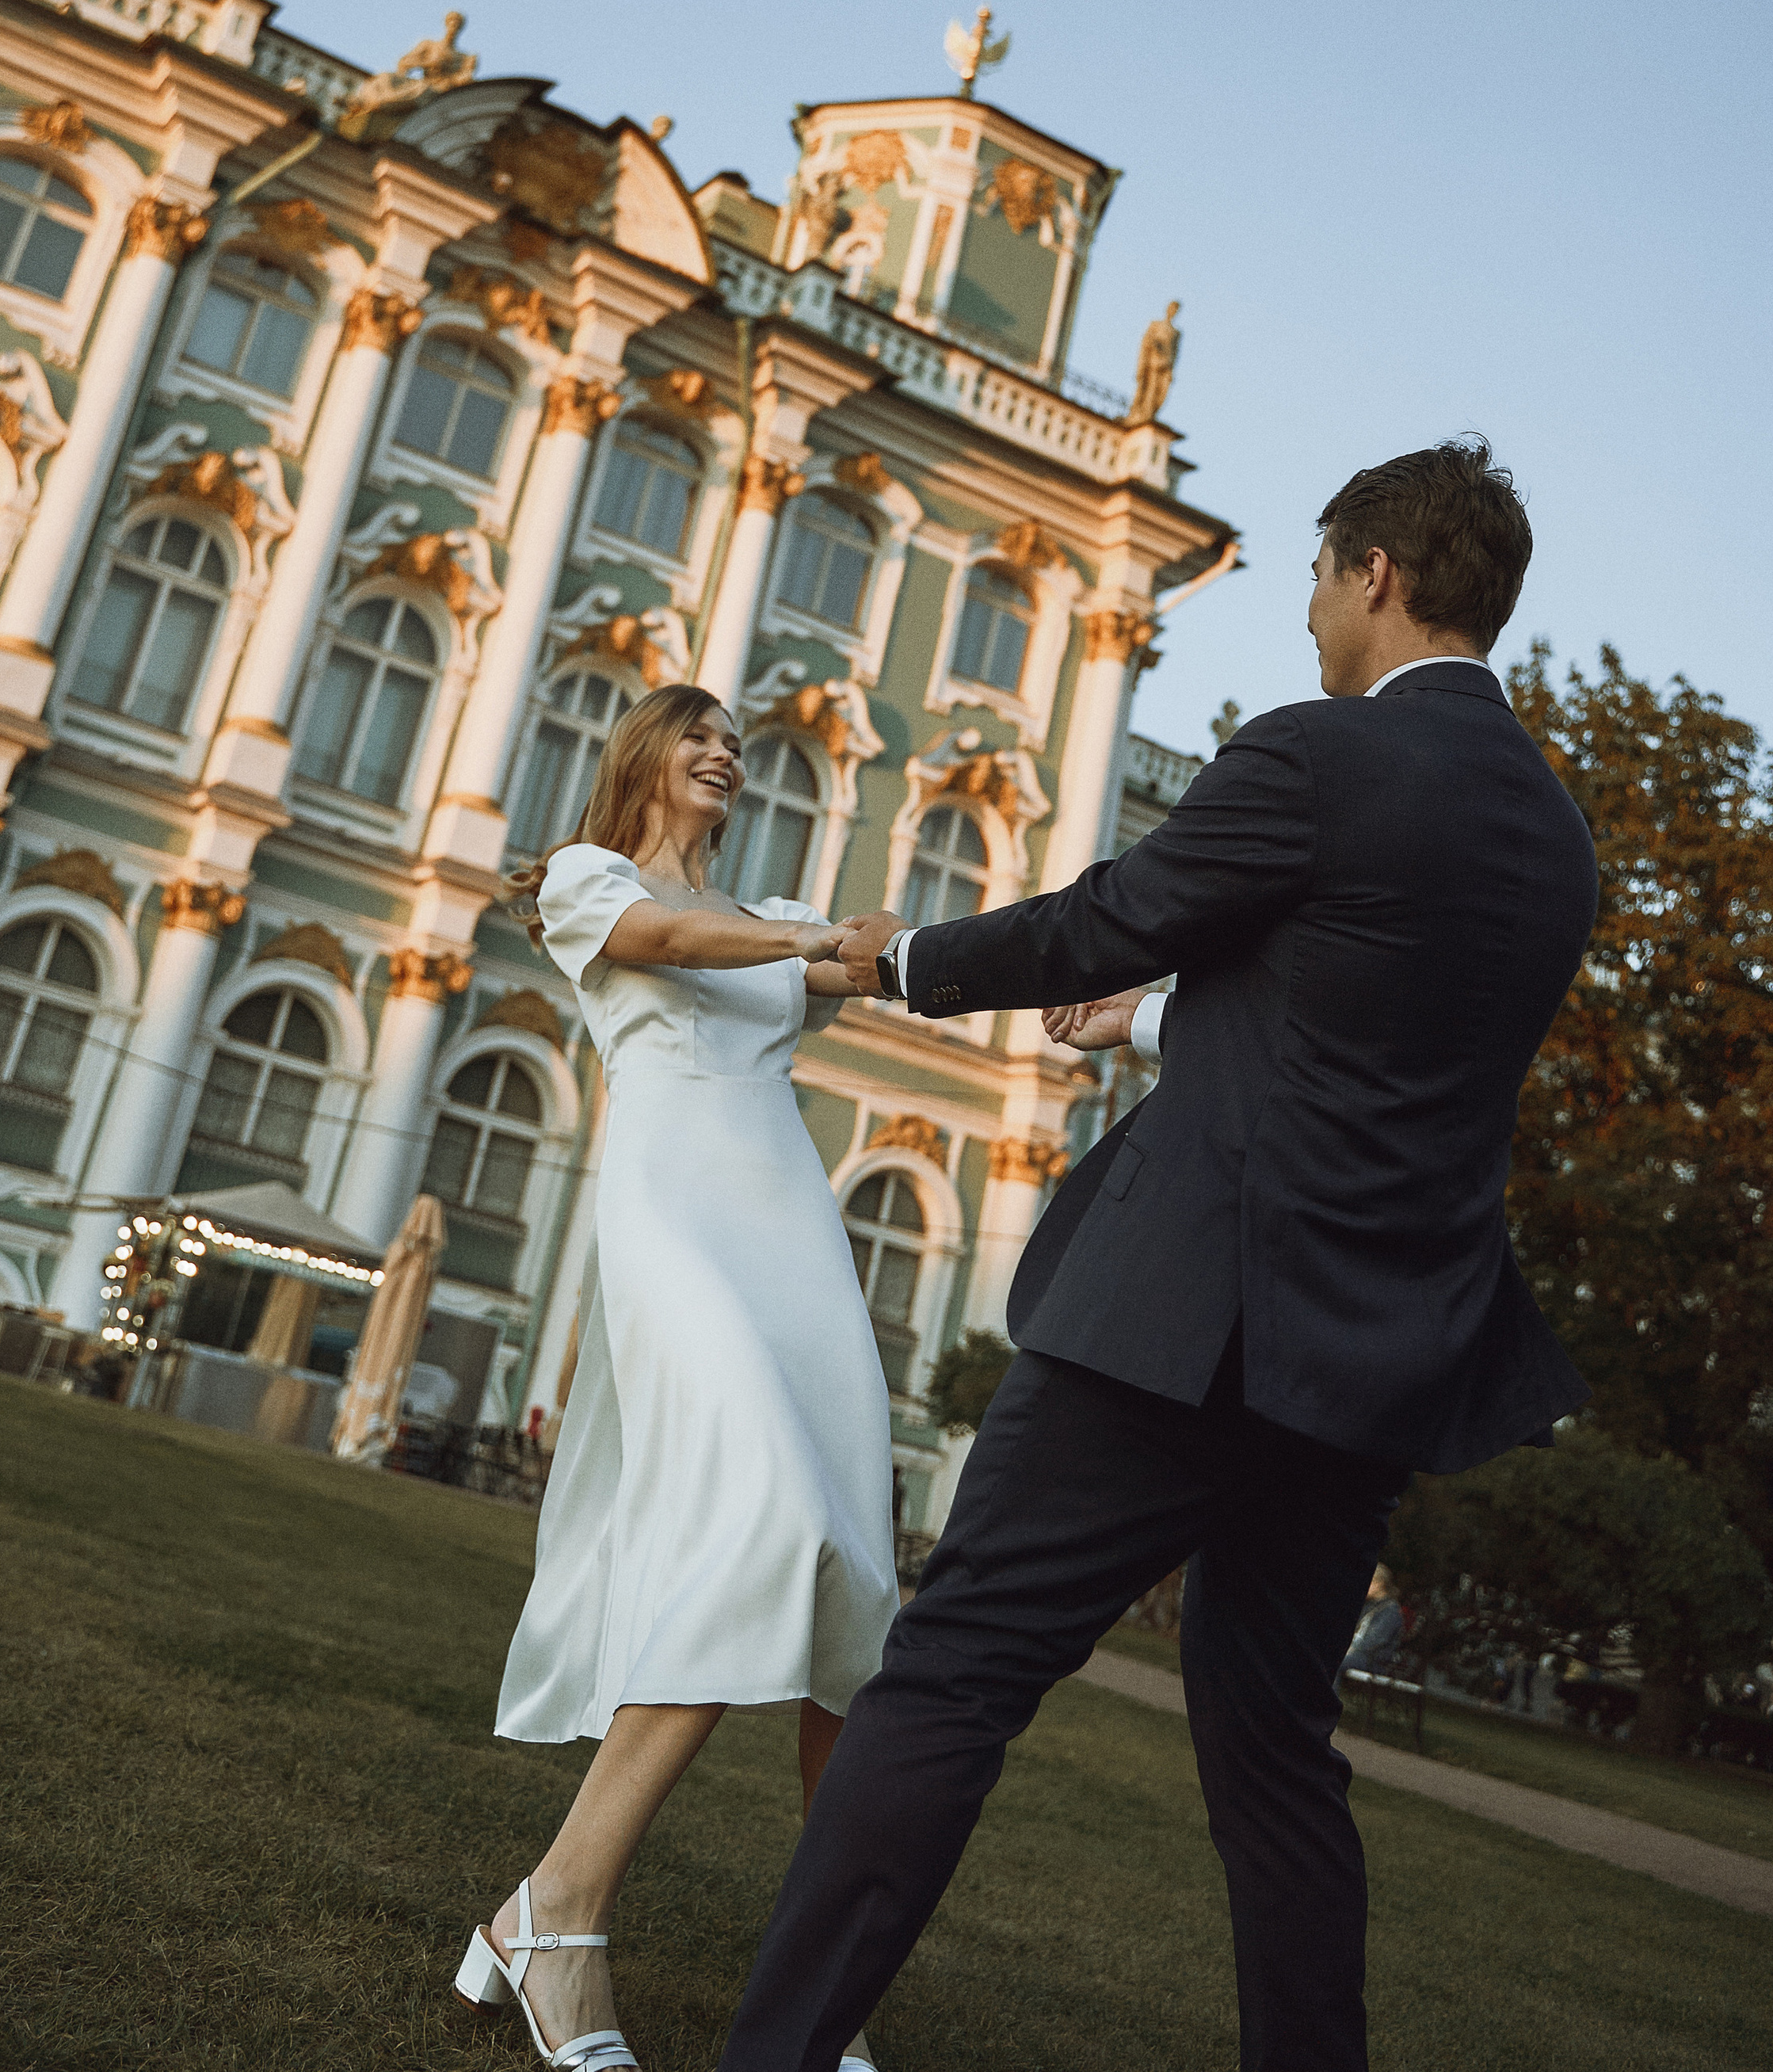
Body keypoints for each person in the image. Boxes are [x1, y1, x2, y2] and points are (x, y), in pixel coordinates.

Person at [719, 438, 1599, 2072]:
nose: (1313, 613)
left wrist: (890, 957)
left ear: (1378, 575)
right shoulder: (1557, 841)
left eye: (1321, 578)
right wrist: (1179, 1009)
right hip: (1367, 1368)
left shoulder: (1318, 755)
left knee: (952, 1677)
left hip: (1172, 1330)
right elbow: (1362, 1022)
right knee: (1275, 1760)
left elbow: (1100, 915)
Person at [457, 683, 897, 2072]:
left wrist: (1058, 967)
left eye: (737, 745)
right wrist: (818, 933)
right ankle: (559, 1914)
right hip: (674, 1221)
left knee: (863, 1596)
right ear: (644, 756)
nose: (723, 752)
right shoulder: (590, 882)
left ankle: (824, 1996)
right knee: (765, 1522)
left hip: (794, 1238)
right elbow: (677, 938)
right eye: (698, 733)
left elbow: (875, 971)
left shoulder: (767, 915)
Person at [1340, 1566, 1405, 1679]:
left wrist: (1349, 1650)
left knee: (1334, 1661)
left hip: (1373, 1661)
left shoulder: (1391, 1610)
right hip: (1356, 1655)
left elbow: (1375, 1641)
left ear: (1379, 1584)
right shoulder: (1369, 1606)